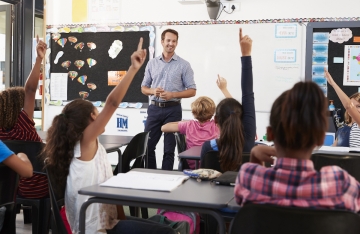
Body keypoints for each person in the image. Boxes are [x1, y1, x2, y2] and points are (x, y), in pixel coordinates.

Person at [41, 38, 175, 234]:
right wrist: (133, 69)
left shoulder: (84, 146)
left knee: (161, 226)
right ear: (90, 119)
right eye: (96, 113)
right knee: (166, 232)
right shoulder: (84, 144)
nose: (101, 117)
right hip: (94, 229)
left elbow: (110, 194)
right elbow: (112, 103)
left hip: (106, 222)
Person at [235, 81, 360, 212]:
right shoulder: (340, 183)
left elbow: (246, 203)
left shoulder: (248, 176)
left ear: (270, 134)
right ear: (321, 138)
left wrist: (255, 160)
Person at [200, 28, 256, 172]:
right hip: (244, 194)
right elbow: (247, 93)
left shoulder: (209, 148)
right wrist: (246, 54)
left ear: (216, 120)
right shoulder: (250, 143)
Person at [141, 28, 196, 170]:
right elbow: (144, 88)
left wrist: (173, 95)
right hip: (154, 109)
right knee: (147, 146)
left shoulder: (184, 65)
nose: (171, 44)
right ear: (162, 41)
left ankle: (166, 178)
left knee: (169, 149)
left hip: (173, 110)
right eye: (168, 40)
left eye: (174, 41)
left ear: (177, 43)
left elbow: (192, 90)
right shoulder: (152, 63)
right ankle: (151, 175)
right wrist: (153, 91)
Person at [0, 40, 47, 199]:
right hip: (40, 185)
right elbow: (31, 90)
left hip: (12, 190)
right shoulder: (24, 123)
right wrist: (39, 59)